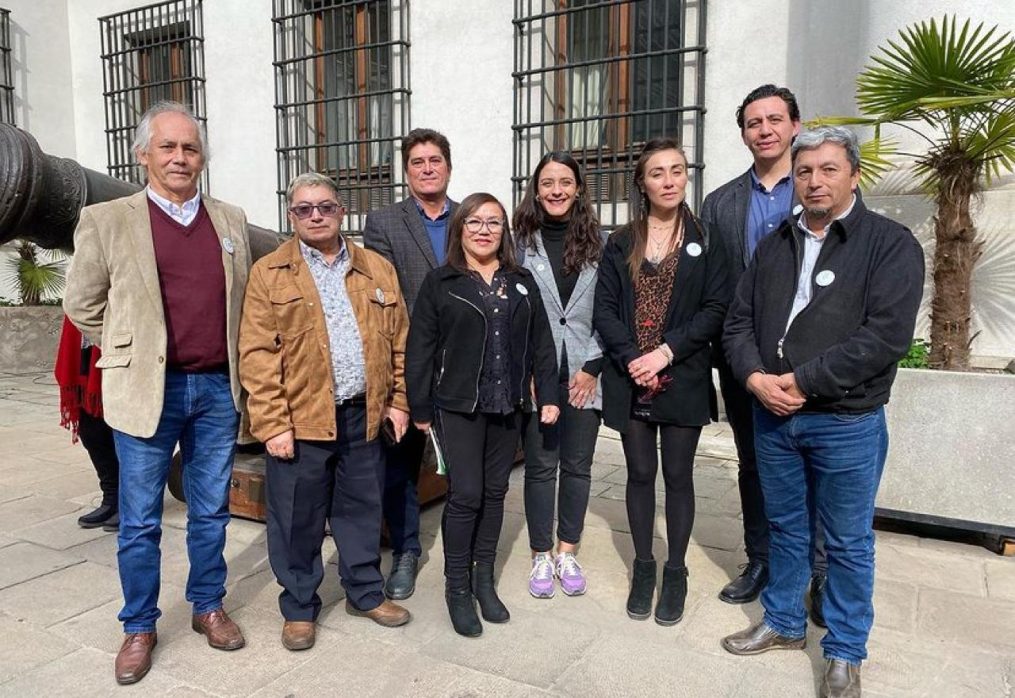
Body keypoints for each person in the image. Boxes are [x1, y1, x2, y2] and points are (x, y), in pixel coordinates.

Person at [721, 127, 924, 698]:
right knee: (786, 528)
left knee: (847, 541)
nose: (815, 181)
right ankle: (784, 623)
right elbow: (737, 323)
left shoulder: (889, 243)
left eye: (829, 169)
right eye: (806, 170)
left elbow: (886, 337)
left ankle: (844, 650)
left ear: (854, 175)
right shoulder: (775, 243)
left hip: (844, 420)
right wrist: (757, 378)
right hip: (773, 416)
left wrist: (805, 382)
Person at [63, 101, 252, 685]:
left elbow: (239, 300)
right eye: (167, 147)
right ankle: (139, 625)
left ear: (202, 158)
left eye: (189, 148)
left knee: (211, 511)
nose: (179, 157)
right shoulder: (108, 219)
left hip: (218, 390)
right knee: (141, 519)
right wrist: (125, 347)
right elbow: (81, 302)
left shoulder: (230, 220)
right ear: (143, 153)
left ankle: (207, 606)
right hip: (148, 390)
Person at [239, 172, 412, 652]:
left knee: (362, 510)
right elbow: (257, 354)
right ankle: (298, 607)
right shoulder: (269, 273)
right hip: (301, 419)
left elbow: (401, 342)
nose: (315, 215)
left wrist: (399, 401)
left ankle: (364, 592)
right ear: (291, 215)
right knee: (297, 517)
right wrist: (272, 423)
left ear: (341, 210)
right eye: (304, 209)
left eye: (325, 207)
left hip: (364, 415)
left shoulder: (376, 268)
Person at [701, 84, 831, 615]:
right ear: (744, 134)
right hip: (744, 356)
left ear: (795, 126)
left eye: (775, 119)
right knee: (752, 463)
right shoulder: (721, 202)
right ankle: (762, 559)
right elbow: (714, 284)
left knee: (815, 465)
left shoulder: (822, 189)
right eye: (754, 123)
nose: (765, 130)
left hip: (812, 359)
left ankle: (820, 571)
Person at [405, 192, 560, 637]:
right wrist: (419, 406)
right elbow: (420, 349)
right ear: (460, 229)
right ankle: (456, 588)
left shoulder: (522, 280)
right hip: (458, 406)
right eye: (474, 222)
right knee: (466, 494)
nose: (484, 230)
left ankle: (482, 580)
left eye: (493, 222)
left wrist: (547, 394)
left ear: (504, 231)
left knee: (495, 494)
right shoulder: (442, 282)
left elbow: (542, 345)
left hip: (507, 405)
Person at [594, 138, 729, 626]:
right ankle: (644, 568)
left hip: (682, 375)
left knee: (677, 476)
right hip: (631, 377)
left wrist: (664, 353)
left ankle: (676, 570)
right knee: (638, 474)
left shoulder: (708, 238)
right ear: (642, 183)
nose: (669, 180)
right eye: (658, 173)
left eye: (677, 170)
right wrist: (634, 359)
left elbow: (716, 309)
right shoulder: (621, 241)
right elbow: (604, 309)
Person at [363, 128, 458, 600]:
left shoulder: (469, 218)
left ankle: (466, 552)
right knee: (399, 464)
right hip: (410, 360)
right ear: (406, 171)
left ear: (448, 166)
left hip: (465, 364)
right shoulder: (383, 223)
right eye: (417, 161)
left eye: (434, 159)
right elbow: (382, 297)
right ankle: (405, 552)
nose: (427, 167)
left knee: (466, 463)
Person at [512, 151, 605, 598]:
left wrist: (592, 366)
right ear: (536, 189)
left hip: (587, 370)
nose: (556, 190)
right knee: (540, 466)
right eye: (547, 182)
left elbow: (612, 310)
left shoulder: (601, 243)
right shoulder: (519, 242)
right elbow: (513, 313)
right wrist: (528, 369)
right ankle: (540, 556)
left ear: (578, 188)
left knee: (578, 466)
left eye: (565, 182)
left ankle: (568, 550)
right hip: (538, 372)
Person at [55, 315, 119, 531]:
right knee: (91, 431)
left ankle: (129, 502)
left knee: (121, 433)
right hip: (81, 342)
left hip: (116, 343)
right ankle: (111, 498)